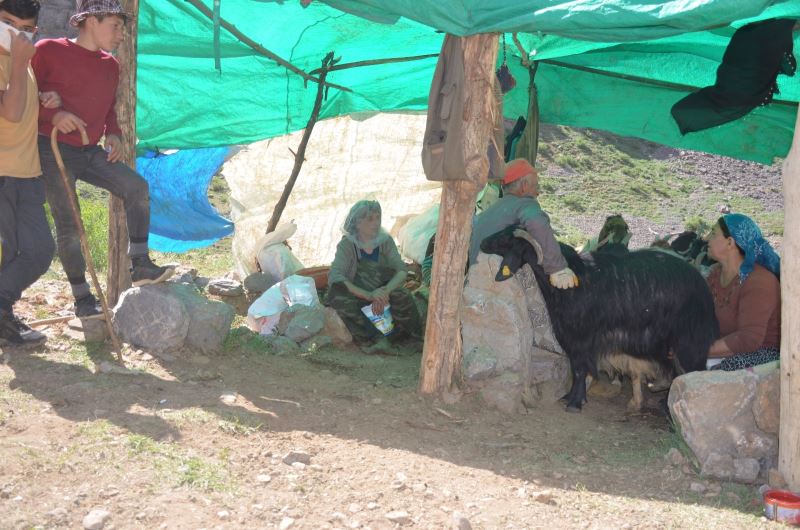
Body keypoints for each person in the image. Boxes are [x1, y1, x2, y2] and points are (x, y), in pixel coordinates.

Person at [31, 0, 174, 319]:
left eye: (122, 27)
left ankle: (140, 265)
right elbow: (24, 96)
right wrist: (52, 114)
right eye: (116, 25)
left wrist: (114, 134)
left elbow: (108, 108)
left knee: (136, 187)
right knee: (70, 223)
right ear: (90, 21)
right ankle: (83, 299)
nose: (121, 33)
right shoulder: (47, 50)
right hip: (52, 148)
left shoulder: (110, 64)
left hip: (88, 149)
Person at [0, 0, 59, 345]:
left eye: (24, 29)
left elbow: (21, 108)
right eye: (7, 23)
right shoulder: (19, 62)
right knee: (10, 253)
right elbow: (10, 111)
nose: (15, 34)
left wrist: (46, 98)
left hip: (26, 173)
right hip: (3, 174)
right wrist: (22, 63)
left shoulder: (23, 64)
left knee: (37, 251)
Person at [325, 200, 423, 354]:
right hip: (359, 293)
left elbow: (401, 270)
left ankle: (408, 339)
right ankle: (373, 339)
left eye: (378, 218)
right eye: (369, 219)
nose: (375, 223)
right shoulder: (347, 245)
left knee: (403, 295)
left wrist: (384, 292)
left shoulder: (385, 241)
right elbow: (336, 276)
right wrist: (369, 295)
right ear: (357, 223)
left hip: (383, 291)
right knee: (336, 296)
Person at [468, 158, 578, 289]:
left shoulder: (492, 209)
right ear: (524, 186)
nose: (537, 192)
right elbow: (537, 223)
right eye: (536, 186)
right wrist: (557, 268)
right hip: (496, 286)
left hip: (474, 283)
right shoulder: (524, 204)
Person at [705, 213, 780, 370]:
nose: (706, 238)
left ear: (730, 242)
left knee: (715, 369)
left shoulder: (759, 281)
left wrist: (696, 349)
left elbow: (748, 339)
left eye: (713, 233)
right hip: (727, 349)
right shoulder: (715, 275)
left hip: (763, 355)